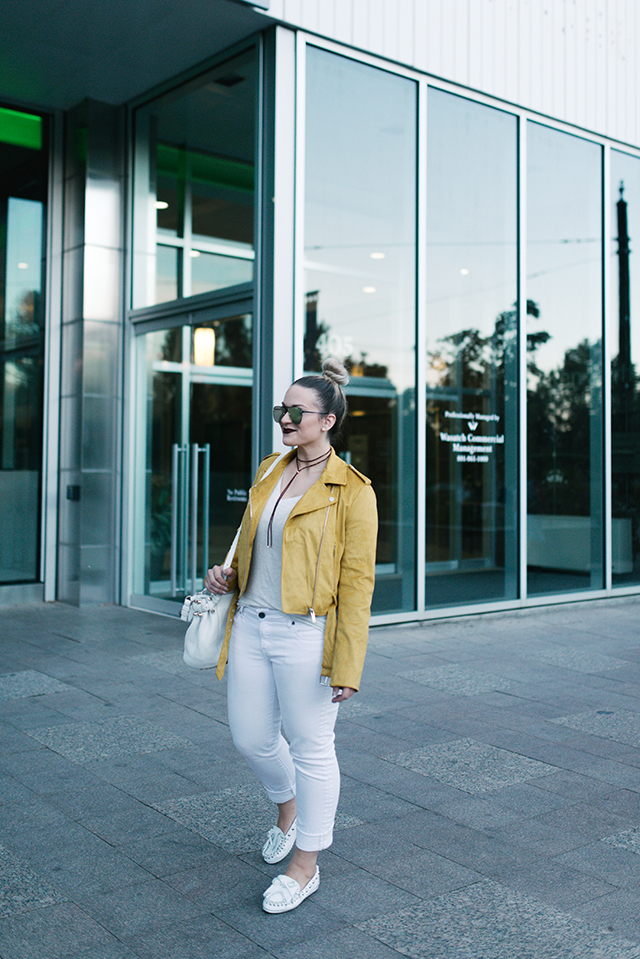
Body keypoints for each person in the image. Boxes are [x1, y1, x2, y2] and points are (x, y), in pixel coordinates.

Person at [205, 357, 378, 914]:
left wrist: (347, 664)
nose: (283, 418)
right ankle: (288, 809)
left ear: (327, 421)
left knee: (312, 748)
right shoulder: (269, 470)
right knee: (250, 738)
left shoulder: (352, 491)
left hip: (307, 633)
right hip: (251, 622)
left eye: (295, 412)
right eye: (281, 409)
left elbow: (358, 585)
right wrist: (224, 573)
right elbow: (254, 544)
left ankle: (305, 866)